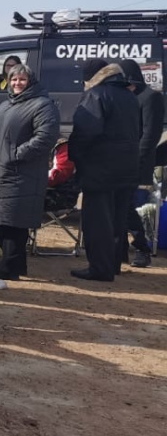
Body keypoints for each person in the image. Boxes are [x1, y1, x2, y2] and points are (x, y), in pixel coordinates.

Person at [0, 63, 60, 279]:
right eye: (13, 79)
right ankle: (15, 265)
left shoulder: (42, 105)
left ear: (30, 82)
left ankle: (7, 267)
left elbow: (46, 136)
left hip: (21, 173)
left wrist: (16, 154)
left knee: (14, 223)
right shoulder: (6, 105)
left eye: (22, 79)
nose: (17, 83)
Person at [66, 59, 141, 282]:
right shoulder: (129, 96)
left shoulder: (96, 95)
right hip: (126, 167)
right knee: (118, 219)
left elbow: (86, 132)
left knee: (98, 221)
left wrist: (75, 156)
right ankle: (113, 264)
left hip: (99, 168)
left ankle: (100, 268)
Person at [117, 59, 163, 267]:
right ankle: (120, 250)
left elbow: (150, 135)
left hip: (136, 163)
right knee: (119, 206)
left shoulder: (151, 97)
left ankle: (141, 248)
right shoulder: (124, 96)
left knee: (129, 207)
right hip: (119, 162)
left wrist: (135, 161)